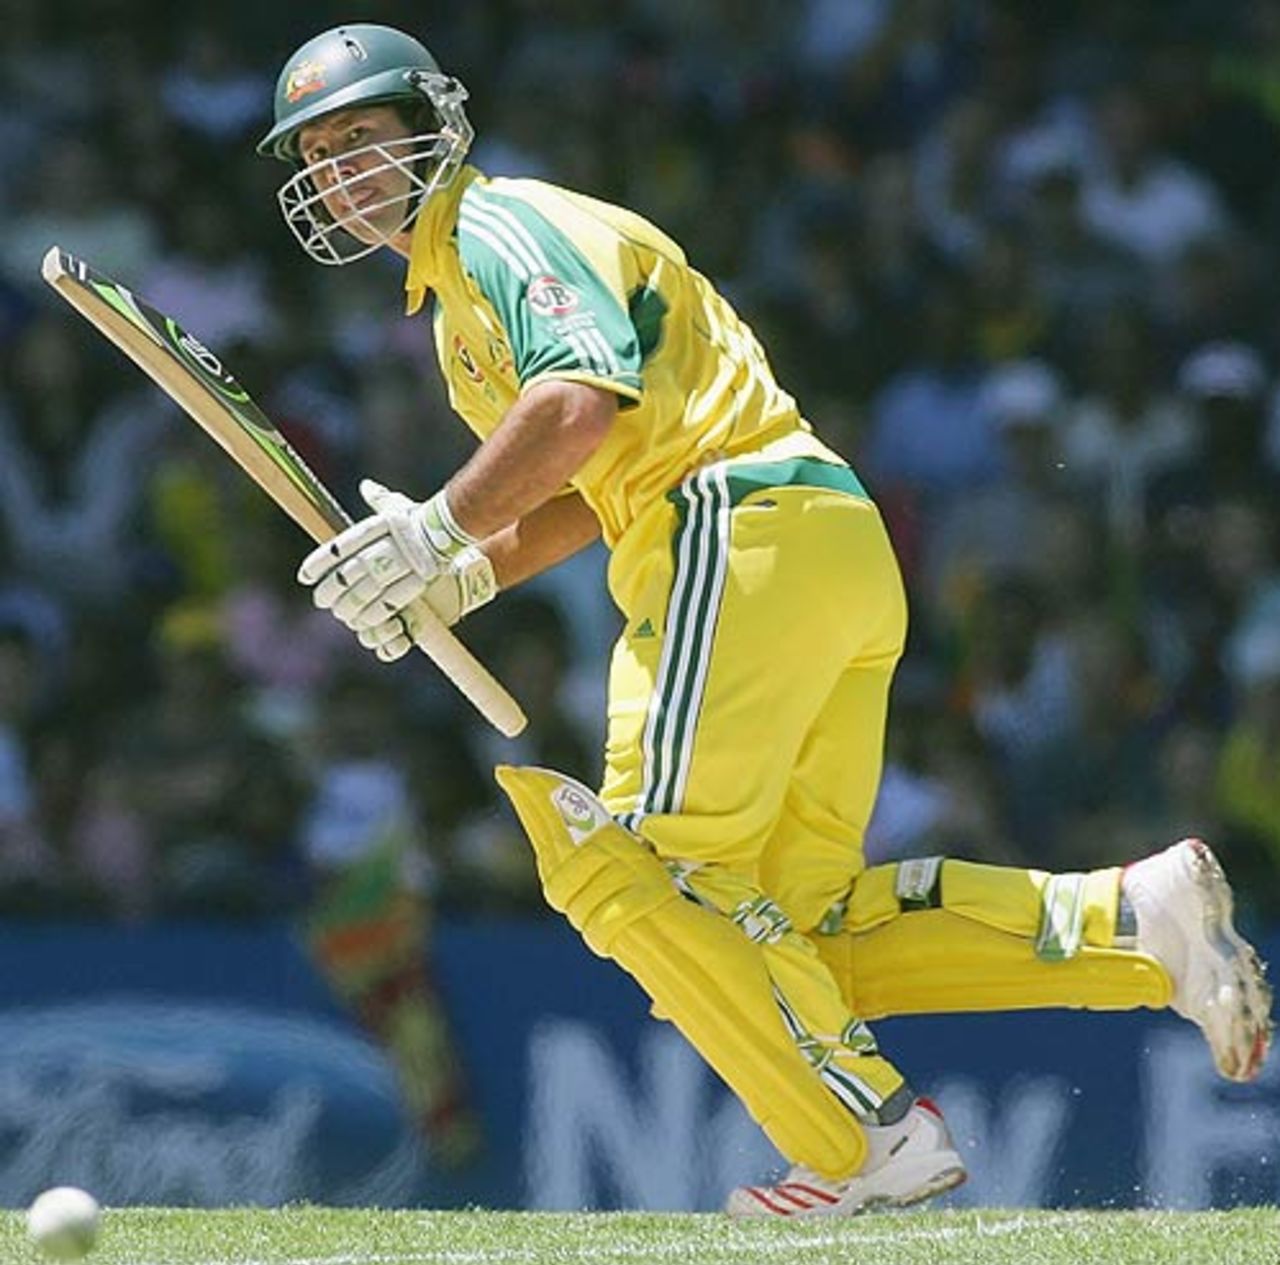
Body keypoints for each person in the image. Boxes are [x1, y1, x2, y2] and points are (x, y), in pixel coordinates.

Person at [259, 24, 1273, 1216]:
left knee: (630, 868)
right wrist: (463, 575)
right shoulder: (452, 310)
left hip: (725, 534)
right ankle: (1125, 922)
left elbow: (578, 403)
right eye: (320, 154)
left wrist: (433, 530)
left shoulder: (497, 226)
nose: (344, 172)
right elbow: (586, 481)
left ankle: (857, 1139)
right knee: (790, 934)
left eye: (363, 138)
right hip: (810, 545)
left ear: (432, 127)